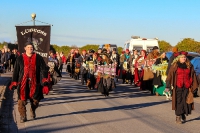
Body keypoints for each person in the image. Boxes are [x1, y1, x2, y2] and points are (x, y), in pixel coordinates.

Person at [9, 42, 49, 123]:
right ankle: (23, 116)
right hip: (23, 83)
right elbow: (16, 71)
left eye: (31, 47)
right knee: (21, 101)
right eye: (28, 47)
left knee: (35, 101)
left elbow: (43, 69)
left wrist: (44, 79)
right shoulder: (20, 58)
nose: (30, 49)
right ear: (25, 48)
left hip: (35, 83)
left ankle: (32, 109)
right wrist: (14, 82)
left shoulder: (38, 58)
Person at [166, 51, 198, 124]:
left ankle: (183, 113)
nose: (184, 58)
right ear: (178, 58)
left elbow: (193, 75)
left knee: (185, 101)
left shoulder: (189, 65)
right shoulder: (175, 65)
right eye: (182, 57)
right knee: (178, 101)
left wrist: (194, 86)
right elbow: (170, 75)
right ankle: (178, 117)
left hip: (187, 86)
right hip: (178, 86)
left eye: (184, 57)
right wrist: (167, 86)